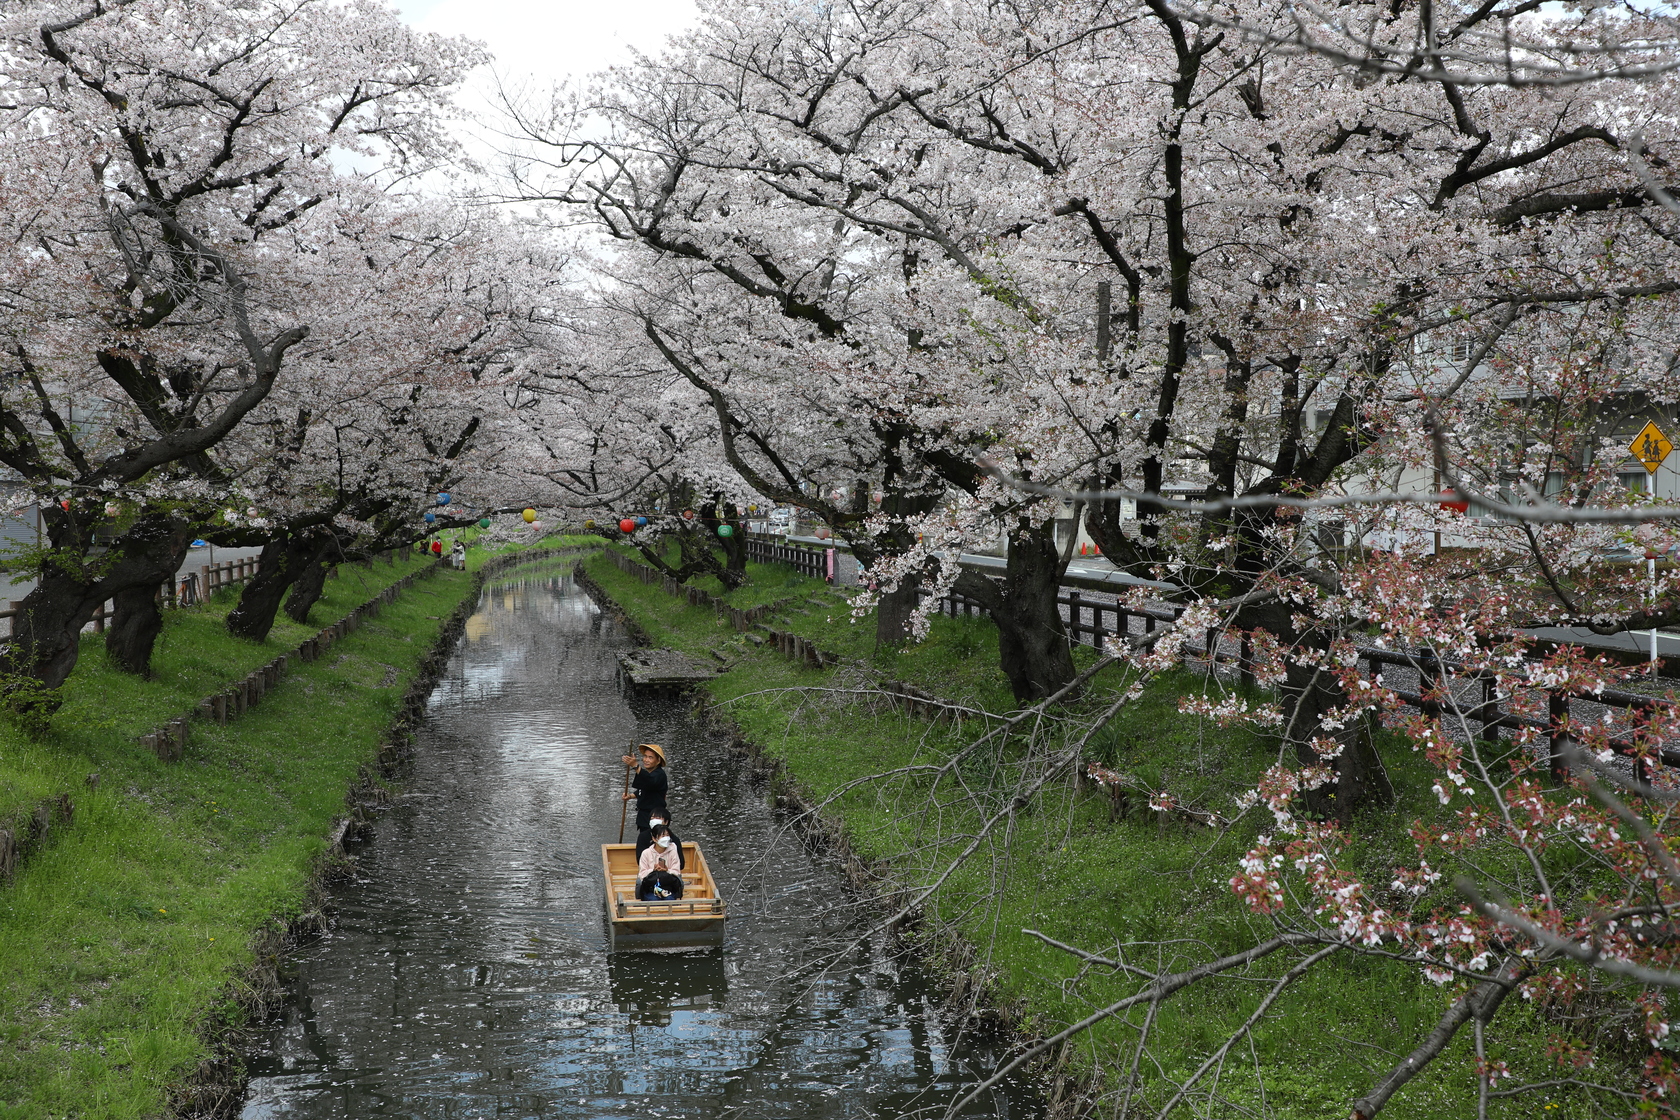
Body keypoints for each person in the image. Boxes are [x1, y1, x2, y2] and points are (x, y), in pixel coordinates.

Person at [620, 743, 667, 840]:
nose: (646, 760)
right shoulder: (649, 773)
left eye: (650, 757)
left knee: (653, 841)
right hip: (643, 817)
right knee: (644, 840)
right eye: (645, 756)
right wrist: (630, 796)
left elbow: (650, 781)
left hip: (655, 817)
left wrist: (635, 766)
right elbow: (644, 790)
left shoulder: (659, 775)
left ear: (658, 761)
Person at [636, 824, 684, 900]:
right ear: (654, 839)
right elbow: (642, 874)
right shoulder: (646, 853)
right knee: (653, 899)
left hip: (668, 887)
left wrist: (666, 870)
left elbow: (676, 872)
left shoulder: (673, 852)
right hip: (651, 887)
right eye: (663, 836)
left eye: (667, 835)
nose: (666, 838)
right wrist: (654, 871)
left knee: (669, 899)